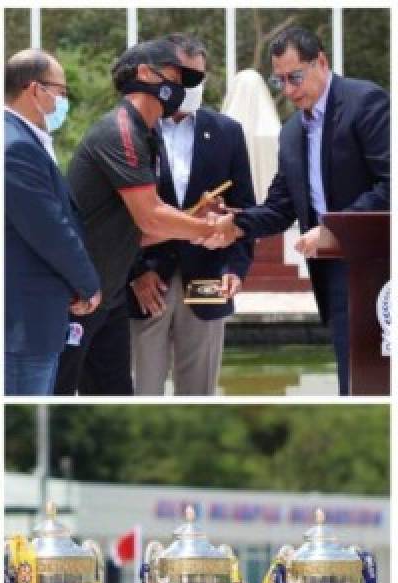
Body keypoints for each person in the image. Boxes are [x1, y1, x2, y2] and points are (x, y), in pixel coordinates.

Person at [214, 26, 390, 395]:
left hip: (380, 267)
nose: (289, 90)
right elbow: (281, 207)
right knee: (353, 384)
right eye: (279, 81)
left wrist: (334, 229)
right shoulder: (292, 132)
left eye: (295, 77)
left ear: (321, 62)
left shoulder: (366, 102)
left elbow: (390, 184)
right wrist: (237, 224)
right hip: (334, 272)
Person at [55, 38, 232, 396]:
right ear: (145, 74)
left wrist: (191, 220)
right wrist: (210, 228)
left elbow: (142, 232)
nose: (187, 86)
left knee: (114, 395)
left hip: (110, 295)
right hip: (78, 294)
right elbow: (151, 218)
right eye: (180, 75)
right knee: (53, 393)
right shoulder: (120, 131)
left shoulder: (145, 134)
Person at [128, 34, 255, 396]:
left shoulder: (228, 131)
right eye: (186, 75)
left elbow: (243, 208)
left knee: (200, 396)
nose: (193, 85)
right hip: (148, 282)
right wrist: (136, 271)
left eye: (200, 76)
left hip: (209, 279)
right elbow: (115, 213)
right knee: (141, 392)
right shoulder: (135, 128)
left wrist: (235, 270)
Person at [4, 49, 101, 395]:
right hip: (25, 322)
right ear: (35, 90)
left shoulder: (26, 138)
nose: (63, 101)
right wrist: (88, 284)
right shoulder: (16, 146)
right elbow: (50, 228)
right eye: (61, 92)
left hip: (37, 314)